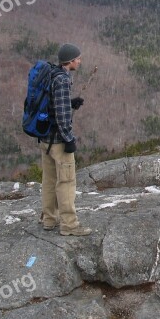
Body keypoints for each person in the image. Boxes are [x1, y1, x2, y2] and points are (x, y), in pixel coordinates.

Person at [40, 43, 91, 236]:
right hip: (59, 141)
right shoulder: (62, 80)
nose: (80, 61)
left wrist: (71, 103)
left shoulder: (51, 74)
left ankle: (49, 219)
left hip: (45, 138)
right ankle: (69, 225)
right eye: (77, 59)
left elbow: (54, 105)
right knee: (67, 182)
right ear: (69, 61)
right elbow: (61, 115)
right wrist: (69, 138)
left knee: (49, 180)